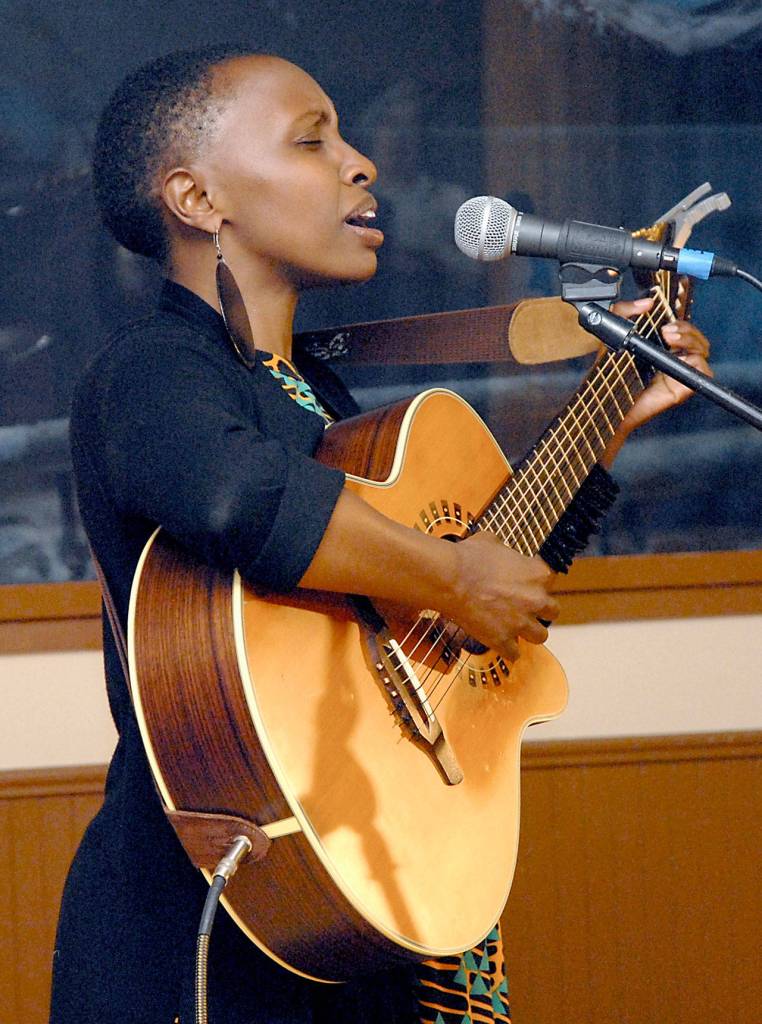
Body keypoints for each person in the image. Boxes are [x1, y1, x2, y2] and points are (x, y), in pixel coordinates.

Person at [51, 45, 711, 1024]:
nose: (361, 163)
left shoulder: (319, 399)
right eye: (313, 140)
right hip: (208, 932)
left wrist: (605, 419)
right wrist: (451, 574)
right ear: (196, 196)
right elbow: (239, 496)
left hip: (355, 893)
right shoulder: (152, 370)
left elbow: (469, 599)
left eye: (346, 138)